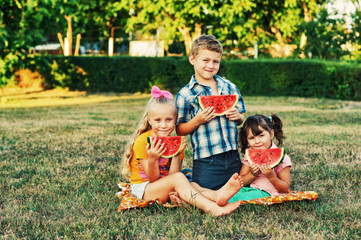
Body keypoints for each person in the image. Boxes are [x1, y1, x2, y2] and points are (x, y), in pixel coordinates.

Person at [122, 86, 243, 216]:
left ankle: (216, 195)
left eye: (169, 120)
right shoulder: (142, 142)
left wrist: (176, 154)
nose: (163, 125)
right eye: (158, 120)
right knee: (181, 179)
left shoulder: (176, 142)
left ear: (175, 120)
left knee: (193, 185)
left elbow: (174, 174)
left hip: (165, 186)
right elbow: (153, 179)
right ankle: (211, 208)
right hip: (144, 190)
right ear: (149, 120)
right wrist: (152, 159)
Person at [175, 34, 246, 190]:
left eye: (216, 61)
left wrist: (239, 116)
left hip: (233, 156)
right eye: (205, 60)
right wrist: (197, 120)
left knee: (237, 192)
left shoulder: (229, 87)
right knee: (204, 193)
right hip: (207, 160)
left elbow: (241, 118)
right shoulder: (185, 94)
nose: (211, 65)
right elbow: (179, 130)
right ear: (192, 59)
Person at [228, 114, 292, 202]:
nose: (257, 141)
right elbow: (241, 181)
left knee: (232, 197)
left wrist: (271, 177)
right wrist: (252, 174)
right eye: (251, 138)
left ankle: (214, 201)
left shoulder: (283, 158)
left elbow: (285, 188)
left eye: (261, 136)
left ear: (271, 134)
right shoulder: (250, 154)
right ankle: (213, 197)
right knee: (228, 192)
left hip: (267, 193)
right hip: (249, 189)